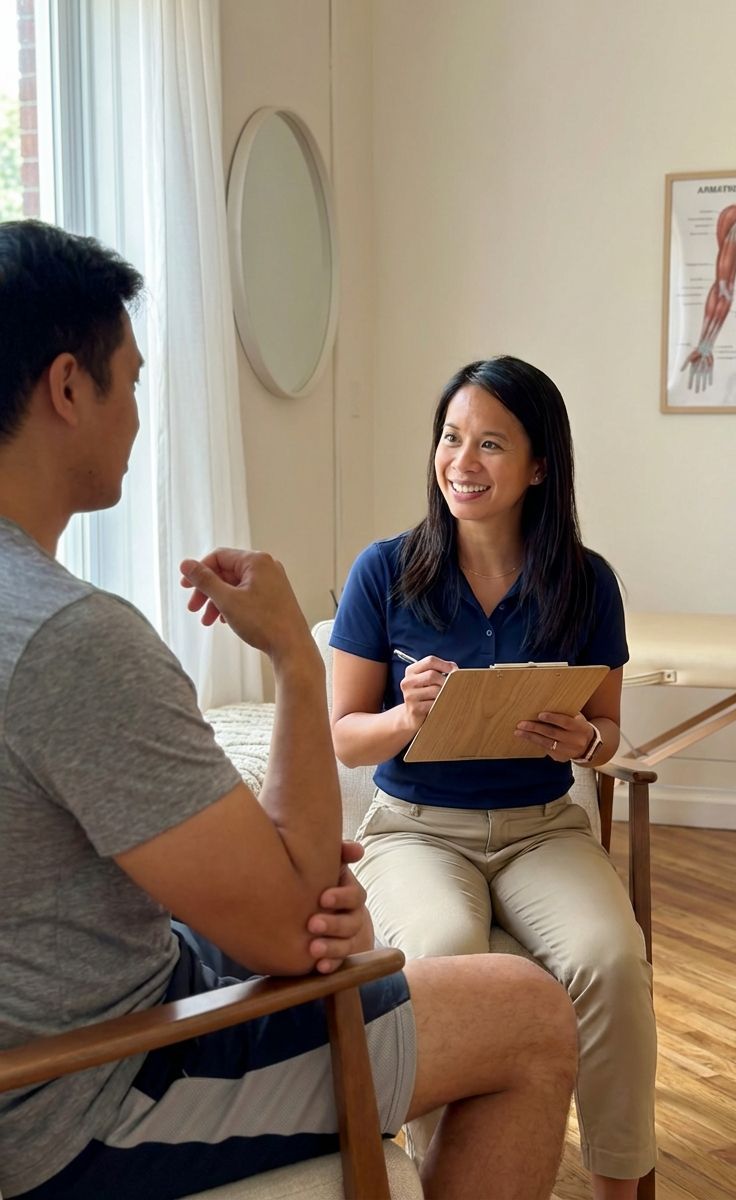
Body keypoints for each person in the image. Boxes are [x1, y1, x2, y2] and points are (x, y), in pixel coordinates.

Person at [0, 220, 579, 1200]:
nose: (140, 417)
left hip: (73, 1018)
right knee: (525, 1012)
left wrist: (284, 891)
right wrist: (291, 662)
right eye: (132, 382)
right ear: (67, 386)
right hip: (79, 1099)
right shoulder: (73, 639)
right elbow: (295, 927)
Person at [330, 355, 657, 1200]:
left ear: (540, 465)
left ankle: (617, 1185)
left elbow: (611, 734)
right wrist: (405, 719)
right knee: (440, 957)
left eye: (490, 444)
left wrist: (583, 738)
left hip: (541, 828)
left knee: (612, 959)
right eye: (450, 438)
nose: (461, 464)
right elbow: (345, 737)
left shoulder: (587, 582)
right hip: (415, 832)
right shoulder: (385, 569)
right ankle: (459, 1182)